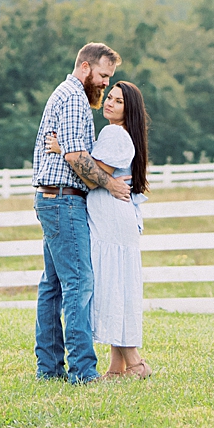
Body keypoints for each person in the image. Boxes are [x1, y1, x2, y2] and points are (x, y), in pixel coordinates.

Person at [30, 42, 129, 384]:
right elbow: (76, 157)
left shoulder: (68, 95)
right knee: (78, 283)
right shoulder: (73, 98)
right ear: (85, 68)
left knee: (54, 286)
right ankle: (83, 372)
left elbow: (72, 152)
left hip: (53, 198)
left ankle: (49, 368)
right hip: (63, 200)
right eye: (103, 75)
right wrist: (111, 185)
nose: (105, 83)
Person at [46, 79, 151, 380]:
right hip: (114, 219)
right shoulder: (121, 134)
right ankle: (116, 368)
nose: (109, 103)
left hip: (112, 221)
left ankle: (136, 363)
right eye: (110, 97)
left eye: (118, 101)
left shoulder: (114, 132)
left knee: (112, 285)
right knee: (116, 285)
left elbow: (92, 176)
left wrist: (64, 149)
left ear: (128, 109)